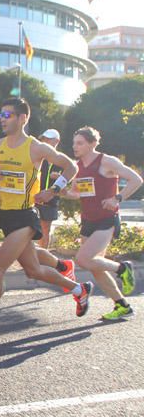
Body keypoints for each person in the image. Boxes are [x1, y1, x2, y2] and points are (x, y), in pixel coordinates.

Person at [0, 98, 92, 345]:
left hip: (24, 217)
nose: (3, 118)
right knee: (33, 270)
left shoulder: (36, 148)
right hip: (3, 213)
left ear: (22, 118)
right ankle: (79, 290)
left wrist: (53, 190)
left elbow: (71, 166)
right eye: (1, 114)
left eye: (8, 114)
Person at [66, 127, 140, 320]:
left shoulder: (107, 161)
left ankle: (123, 268)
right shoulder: (77, 166)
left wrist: (117, 198)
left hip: (106, 220)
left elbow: (136, 180)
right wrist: (59, 192)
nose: (75, 146)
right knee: (95, 267)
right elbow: (76, 193)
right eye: (74, 143)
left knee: (83, 259)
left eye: (80, 143)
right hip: (88, 221)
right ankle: (122, 305)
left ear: (92, 143)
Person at [37, 129, 63, 249]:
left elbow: (70, 181)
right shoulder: (38, 158)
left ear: (56, 141)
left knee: (45, 228)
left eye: (48, 139)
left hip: (51, 200)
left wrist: (60, 178)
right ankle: (32, 258)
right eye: (43, 139)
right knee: (31, 228)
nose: (45, 142)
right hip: (35, 198)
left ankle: (43, 255)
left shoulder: (61, 160)